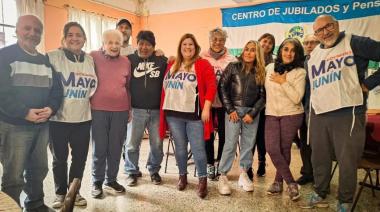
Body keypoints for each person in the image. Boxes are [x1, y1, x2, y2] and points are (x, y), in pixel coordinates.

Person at [301, 15, 380, 211]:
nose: (324, 32)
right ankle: (320, 192)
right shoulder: (314, 55)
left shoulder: (354, 41)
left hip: (348, 112)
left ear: (336, 25)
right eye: (319, 30)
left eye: (328, 26)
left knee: (347, 160)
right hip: (319, 113)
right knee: (319, 157)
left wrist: (369, 83)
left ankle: (344, 200)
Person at [0, 15, 63, 211]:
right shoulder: (4, 56)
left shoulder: (45, 61)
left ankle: (35, 205)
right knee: (14, 175)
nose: (32, 33)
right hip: (14, 126)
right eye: (27, 28)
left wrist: (51, 109)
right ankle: (12, 208)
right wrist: (24, 112)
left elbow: (57, 90)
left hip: (42, 126)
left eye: (37, 30)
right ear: (17, 30)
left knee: (38, 170)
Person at [159, 33, 216, 199]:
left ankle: (202, 180)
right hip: (173, 114)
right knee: (181, 149)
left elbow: (212, 86)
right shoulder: (172, 64)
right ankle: (182, 176)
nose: (188, 47)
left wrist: (206, 108)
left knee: (198, 149)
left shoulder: (203, 64)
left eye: (191, 44)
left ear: (195, 47)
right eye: (184, 44)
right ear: (180, 47)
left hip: (195, 116)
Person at [47, 22, 97, 208]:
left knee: (79, 159)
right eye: (70, 35)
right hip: (58, 119)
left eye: (79, 35)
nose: (74, 38)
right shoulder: (52, 56)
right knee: (59, 158)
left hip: (83, 119)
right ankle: (60, 193)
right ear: (64, 38)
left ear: (84, 39)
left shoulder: (91, 60)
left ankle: (73, 192)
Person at [217, 40, 266, 195]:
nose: (249, 52)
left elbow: (263, 96)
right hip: (233, 112)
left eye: (253, 50)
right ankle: (223, 175)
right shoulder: (233, 66)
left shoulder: (260, 71)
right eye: (247, 49)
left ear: (257, 53)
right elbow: (222, 87)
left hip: (251, 114)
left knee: (248, 144)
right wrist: (230, 109)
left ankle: (244, 173)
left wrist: (253, 114)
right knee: (230, 143)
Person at [90, 29, 131, 198]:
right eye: (110, 42)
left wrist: (129, 108)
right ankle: (97, 182)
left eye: (117, 42)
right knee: (99, 147)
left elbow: (127, 87)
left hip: (120, 110)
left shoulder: (126, 61)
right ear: (103, 43)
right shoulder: (92, 56)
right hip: (98, 109)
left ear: (121, 44)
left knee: (115, 148)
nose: (114, 46)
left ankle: (111, 179)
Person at [124, 30, 167, 186]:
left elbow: (176, 65)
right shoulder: (129, 60)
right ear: (137, 44)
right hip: (135, 110)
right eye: (141, 43)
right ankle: (131, 171)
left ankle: (154, 170)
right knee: (132, 144)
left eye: (148, 44)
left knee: (157, 144)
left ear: (153, 46)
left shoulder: (161, 60)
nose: (144, 47)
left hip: (156, 111)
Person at [264, 38, 306, 201]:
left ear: (297, 54)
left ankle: (277, 182)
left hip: (292, 114)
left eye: (293, 50)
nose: (289, 53)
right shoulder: (269, 68)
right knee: (272, 148)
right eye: (286, 49)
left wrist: (283, 82)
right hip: (272, 113)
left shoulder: (300, 72)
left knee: (284, 149)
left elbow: (297, 98)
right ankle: (291, 182)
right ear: (280, 50)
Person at [200, 27, 237, 180]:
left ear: (225, 41)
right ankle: (209, 164)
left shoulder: (232, 59)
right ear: (210, 40)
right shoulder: (201, 57)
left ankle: (220, 163)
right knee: (207, 134)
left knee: (224, 134)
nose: (217, 42)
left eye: (221, 39)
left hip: (224, 103)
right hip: (207, 103)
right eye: (214, 39)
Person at [248, 33, 276, 180]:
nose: (266, 44)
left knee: (261, 137)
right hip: (251, 105)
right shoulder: (250, 58)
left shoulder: (274, 62)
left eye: (270, 43)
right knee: (250, 136)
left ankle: (261, 162)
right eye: (264, 41)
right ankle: (247, 165)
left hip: (267, 105)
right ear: (259, 41)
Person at [295, 34, 319, 186]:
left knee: (319, 144)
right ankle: (307, 172)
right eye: (306, 43)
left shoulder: (325, 59)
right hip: (303, 108)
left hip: (320, 108)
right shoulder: (300, 62)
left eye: (313, 42)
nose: (309, 45)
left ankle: (320, 175)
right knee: (305, 143)